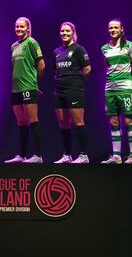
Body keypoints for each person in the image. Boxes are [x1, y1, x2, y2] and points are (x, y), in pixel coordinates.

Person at [5, 17, 46, 164]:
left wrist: (35, 83)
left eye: (22, 27)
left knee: (33, 120)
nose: (19, 29)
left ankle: (38, 156)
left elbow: (41, 65)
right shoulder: (13, 46)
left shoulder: (32, 42)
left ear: (28, 28)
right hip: (16, 89)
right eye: (17, 27)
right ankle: (21, 155)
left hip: (29, 87)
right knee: (21, 123)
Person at [101, 19, 132, 164]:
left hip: (126, 87)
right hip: (110, 89)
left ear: (121, 29)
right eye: (110, 28)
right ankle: (116, 156)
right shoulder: (104, 48)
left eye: (116, 27)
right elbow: (108, 68)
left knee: (129, 120)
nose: (113, 30)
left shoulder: (130, 45)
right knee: (113, 121)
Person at [53, 22, 92, 164]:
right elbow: (56, 70)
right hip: (59, 91)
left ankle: (83, 155)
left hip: (74, 90)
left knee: (78, 122)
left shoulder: (78, 49)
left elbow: (87, 69)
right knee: (63, 123)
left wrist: (77, 83)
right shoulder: (57, 51)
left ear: (73, 32)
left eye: (67, 31)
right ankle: (67, 155)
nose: (64, 33)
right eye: (62, 31)